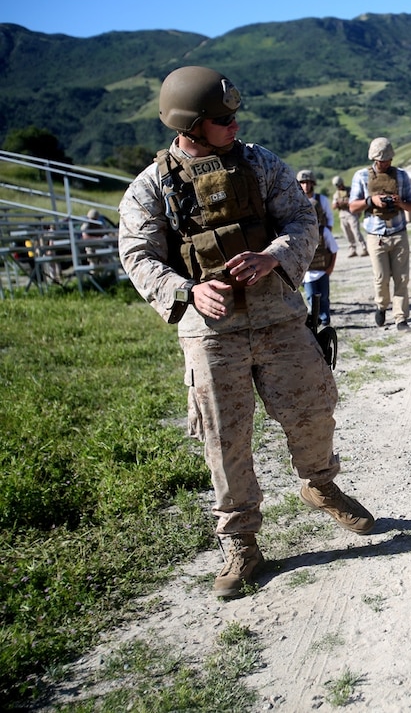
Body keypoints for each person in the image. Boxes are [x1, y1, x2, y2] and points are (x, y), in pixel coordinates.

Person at [117, 66, 376, 600]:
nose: (234, 124)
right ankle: (242, 544)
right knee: (225, 437)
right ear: (190, 125)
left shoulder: (260, 165)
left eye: (234, 115)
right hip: (211, 333)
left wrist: (273, 256)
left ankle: (319, 483)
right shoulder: (150, 188)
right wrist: (188, 291)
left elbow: (303, 222)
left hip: (279, 315)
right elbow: (136, 255)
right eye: (222, 118)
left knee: (313, 406)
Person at [348, 137, 411, 331]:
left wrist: (399, 203)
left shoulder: (402, 176)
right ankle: (381, 305)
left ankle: (401, 318)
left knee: (402, 278)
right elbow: (353, 207)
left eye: (388, 160)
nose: (385, 163)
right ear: (374, 159)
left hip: (399, 232)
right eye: (381, 160)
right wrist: (371, 201)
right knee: (381, 277)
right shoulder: (361, 176)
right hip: (375, 234)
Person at [298, 169, 338, 327]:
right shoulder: (295, 200)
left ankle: (324, 319)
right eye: (303, 182)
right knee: (310, 295)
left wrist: (322, 235)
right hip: (303, 245)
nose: (306, 186)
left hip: (321, 253)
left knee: (323, 296)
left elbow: (329, 219)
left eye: (308, 182)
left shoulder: (322, 200)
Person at [331, 174, 365, 258]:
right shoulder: (336, 194)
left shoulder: (350, 191)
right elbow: (333, 206)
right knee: (347, 234)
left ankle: (364, 248)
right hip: (342, 215)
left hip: (351, 213)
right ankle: (352, 249)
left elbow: (354, 201)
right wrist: (338, 204)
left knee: (356, 232)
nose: (339, 187)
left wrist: (345, 202)